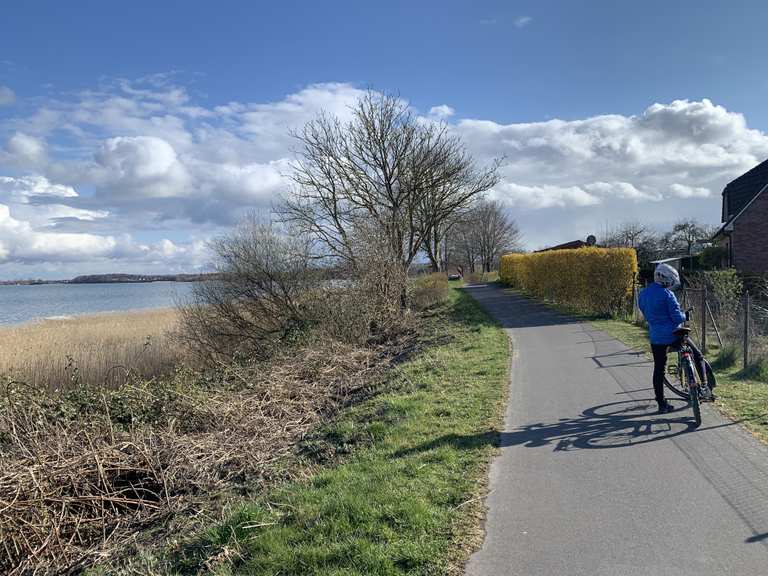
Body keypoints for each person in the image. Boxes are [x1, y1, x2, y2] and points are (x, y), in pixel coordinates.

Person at [638, 263, 711, 414]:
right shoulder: (667, 295)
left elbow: (645, 314)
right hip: (673, 335)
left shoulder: (643, 294)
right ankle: (704, 386)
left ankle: (661, 404)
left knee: (659, 370)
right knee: (698, 355)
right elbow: (677, 316)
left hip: (656, 338)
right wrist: (686, 315)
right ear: (665, 279)